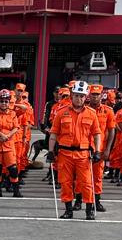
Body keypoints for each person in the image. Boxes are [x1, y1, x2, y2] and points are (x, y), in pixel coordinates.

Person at [48, 80, 102, 219]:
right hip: (64, 154)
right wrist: (50, 151)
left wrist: (97, 151)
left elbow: (97, 134)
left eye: (82, 96)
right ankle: (68, 210)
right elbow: (54, 134)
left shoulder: (91, 113)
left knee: (86, 183)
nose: (79, 98)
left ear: (86, 97)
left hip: (83, 154)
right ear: (72, 95)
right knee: (65, 183)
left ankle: (89, 210)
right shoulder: (61, 112)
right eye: (77, 95)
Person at [0, 89, 21, 198]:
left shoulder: (13, 114)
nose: (4, 103)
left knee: (13, 169)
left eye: (6, 101)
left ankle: (16, 191)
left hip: (9, 146)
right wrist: (1, 135)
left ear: (9, 102)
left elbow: (16, 127)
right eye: (2, 101)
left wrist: (7, 136)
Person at [86, 83, 114, 212]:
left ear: (101, 95)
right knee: (82, 177)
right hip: (85, 148)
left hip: (100, 149)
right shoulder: (84, 110)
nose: (95, 97)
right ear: (89, 95)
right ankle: (79, 200)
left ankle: (97, 202)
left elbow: (111, 131)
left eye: (97, 94)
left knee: (97, 176)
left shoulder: (108, 111)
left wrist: (108, 149)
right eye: (93, 94)